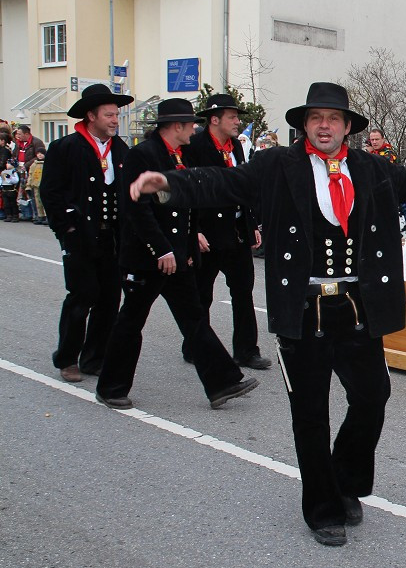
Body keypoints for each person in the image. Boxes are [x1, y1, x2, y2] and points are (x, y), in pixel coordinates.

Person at [127, 82, 406, 546]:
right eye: (316, 117)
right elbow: (221, 182)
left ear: (347, 127)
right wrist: (168, 185)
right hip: (303, 308)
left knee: (372, 395)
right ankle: (323, 507)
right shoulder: (277, 166)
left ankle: (345, 478)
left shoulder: (370, 169)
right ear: (305, 125)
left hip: (357, 305)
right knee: (310, 412)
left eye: (334, 118)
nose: (325, 125)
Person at [94, 98, 259, 411]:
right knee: (131, 321)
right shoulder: (144, 155)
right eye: (190, 124)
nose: (195, 128)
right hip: (147, 258)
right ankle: (111, 387)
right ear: (176, 126)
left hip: (175, 257)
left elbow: (186, 204)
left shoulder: (177, 154)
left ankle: (222, 382)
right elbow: (138, 209)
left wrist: (186, 247)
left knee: (194, 318)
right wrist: (162, 249)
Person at [39, 84, 132, 382]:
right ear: (91, 116)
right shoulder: (66, 147)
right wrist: (66, 228)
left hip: (111, 237)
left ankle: (94, 357)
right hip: (80, 236)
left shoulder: (120, 149)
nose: (115, 120)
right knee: (82, 296)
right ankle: (67, 358)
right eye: (109, 115)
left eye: (116, 114)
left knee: (108, 299)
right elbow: (50, 193)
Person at [181, 93, 271, 370]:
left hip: (236, 231)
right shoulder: (195, 145)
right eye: (232, 117)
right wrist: (192, 230)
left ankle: (246, 350)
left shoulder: (237, 147)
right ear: (214, 118)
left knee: (243, 291)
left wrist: (252, 223)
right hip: (208, 232)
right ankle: (196, 346)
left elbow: (243, 187)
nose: (237, 122)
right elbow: (186, 189)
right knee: (202, 294)